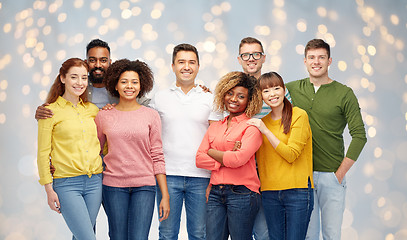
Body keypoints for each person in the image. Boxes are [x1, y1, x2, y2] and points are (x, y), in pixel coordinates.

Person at [285, 39, 367, 240]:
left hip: (331, 175)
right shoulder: (291, 89)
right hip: (302, 177)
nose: (316, 62)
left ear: (329, 61)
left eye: (321, 57)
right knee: (308, 236)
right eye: (311, 57)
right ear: (305, 61)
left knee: (331, 234)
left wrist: (340, 173)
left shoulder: (344, 93)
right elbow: (264, 93)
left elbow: (359, 136)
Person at [149, 43, 223, 240]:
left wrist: (213, 178)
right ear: (172, 66)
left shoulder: (210, 98)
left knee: (199, 234)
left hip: (200, 177)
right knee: (167, 233)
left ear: (198, 66)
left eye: (192, 62)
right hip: (168, 177)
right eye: (181, 62)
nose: (186, 67)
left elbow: (216, 141)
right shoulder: (160, 98)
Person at [95, 59, 169, 239]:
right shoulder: (104, 115)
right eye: (124, 81)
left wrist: (164, 195)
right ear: (116, 85)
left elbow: (157, 155)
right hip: (113, 186)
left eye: (134, 82)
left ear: (141, 85)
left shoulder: (151, 115)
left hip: (144, 186)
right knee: (117, 236)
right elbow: (95, 152)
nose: (130, 86)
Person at [37, 58, 103, 239]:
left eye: (84, 78)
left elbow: (103, 143)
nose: (80, 83)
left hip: (95, 182)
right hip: (66, 184)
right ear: (63, 78)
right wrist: (49, 190)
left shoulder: (92, 110)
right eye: (74, 77)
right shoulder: (49, 111)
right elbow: (43, 153)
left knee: (82, 235)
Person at [196, 71, 263, 240]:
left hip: (243, 193)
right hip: (215, 193)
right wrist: (225, 158)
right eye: (230, 93)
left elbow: (238, 159)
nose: (233, 99)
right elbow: (199, 158)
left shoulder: (251, 128)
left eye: (241, 96)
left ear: (249, 100)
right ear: (223, 94)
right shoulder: (215, 126)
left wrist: (212, 152)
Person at [247, 72, 314, 240]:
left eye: (276, 88)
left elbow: (291, 154)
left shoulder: (299, 115)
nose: (272, 94)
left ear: (284, 90)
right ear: (261, 96)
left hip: (297, 191)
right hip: (270, 192)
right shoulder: (264, 122)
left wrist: (265, 131)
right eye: (266, 91)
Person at [34, 39, 149, 119]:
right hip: (84, 148)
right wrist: (42, 112)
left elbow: (145, 104)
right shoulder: (76, 86)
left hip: (113, 148)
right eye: (93, 60)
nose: (98, 65)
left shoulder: (120, 85)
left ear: (110, 62)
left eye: (103, 60)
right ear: (86, 62)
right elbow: (55, 109)